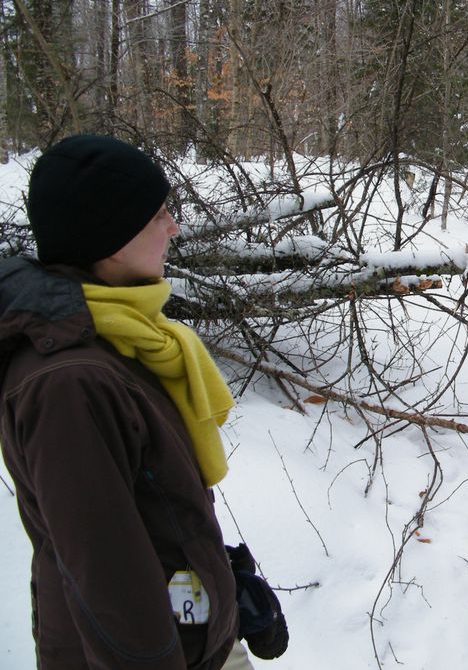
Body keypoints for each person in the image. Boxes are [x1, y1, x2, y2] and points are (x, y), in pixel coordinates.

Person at [0, 135, 287, 669]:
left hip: (193, 639)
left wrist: (227, 585)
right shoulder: (70, 382)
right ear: (112, 239)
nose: (175, 227)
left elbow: (150, 509)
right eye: (159, 214)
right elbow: (105, 576)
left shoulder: (124, 338)